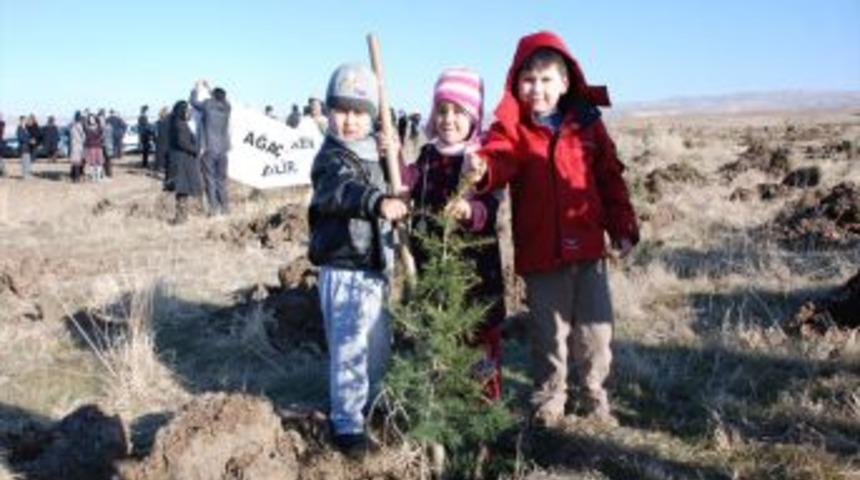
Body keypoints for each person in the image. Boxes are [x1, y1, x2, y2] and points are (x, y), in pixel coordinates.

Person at [466, 31, 639, 427]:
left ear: (565, 82)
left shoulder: (588, 126)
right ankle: (549, 400)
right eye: (528, 80)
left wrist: (622, 226)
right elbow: (499, 159)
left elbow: (609, 178)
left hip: (590, 249)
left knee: (597, 333)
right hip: (542, 254)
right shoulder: (514, 129)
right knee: (550, 336)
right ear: (516, 83)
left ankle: (592, 394)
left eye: (546, 80)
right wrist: (483, 169)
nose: (537, 89)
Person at [307, 63, 408, 457]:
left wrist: (391, 160)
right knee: (350, 346)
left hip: (375, 266)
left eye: (359, 112)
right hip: (344, 266)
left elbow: (391, 186)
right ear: (328, 111)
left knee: (376, 344)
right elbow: (343, 192)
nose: (349, 121)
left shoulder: (371, 152)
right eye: (341, 110)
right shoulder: (331, 158)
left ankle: (373, 404)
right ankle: (347, 424)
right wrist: (378, 201)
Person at [403, 67, 505, 401]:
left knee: (478, 345)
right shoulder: (429, 155)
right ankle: (445, 409)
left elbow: (489, 208)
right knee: (438, 342)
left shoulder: (478, 160)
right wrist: (388, 155)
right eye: (442, 110)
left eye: (458, 112)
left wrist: (468, 212)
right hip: (432, 267)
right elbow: (408, 181)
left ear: (474, 116)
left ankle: (484, 413)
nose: (448, 119)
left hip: (475, 275)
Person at [190, 80, 232, 216]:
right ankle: (225, 208)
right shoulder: (227, 107)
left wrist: (196, 88)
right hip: (223, 150)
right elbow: (221, 97)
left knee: (209, 179)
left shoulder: (208, 105)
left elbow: (193, 102)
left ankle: (214, 209)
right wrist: (210, 88)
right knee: (222, 180)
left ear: (213, 95)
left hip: (209, 148)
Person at [168, 101, 203, 225]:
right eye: (187, 111)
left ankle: (182, 217)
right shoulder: (179, 124)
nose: (189, 113)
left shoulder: (176, 122)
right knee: (182, 189)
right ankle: (180, 219)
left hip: (181, 160)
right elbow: (182, 143)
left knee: (183, 191)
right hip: (182, 161)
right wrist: (197, 150)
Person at [83, 113, 105, 181]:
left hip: (98, 146)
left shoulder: (99, 127)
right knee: (92, 163)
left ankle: (98, 177)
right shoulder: (87, 128)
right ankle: (93, 177)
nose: (91, 120)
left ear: (95, 119)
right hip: (90, 147)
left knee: (99, 162)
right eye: (90, 119)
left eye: (93, 118)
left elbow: (102, 136)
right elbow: (86, 137)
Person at [155, 106, 172, 190]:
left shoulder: (159, 122)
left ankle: (162, 173)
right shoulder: (170, 121)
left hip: (161, 142)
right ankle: (167, 178)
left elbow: (156, 134)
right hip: (168, 142)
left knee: (161, 160)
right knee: (168, 161)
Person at [69, 112, 85, 182]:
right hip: (79, 145)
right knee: (78, 162)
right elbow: (83, 136)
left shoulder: (72, 125)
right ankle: (77, 177)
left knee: (74, 162)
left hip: (73, 145)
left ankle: (73, 176)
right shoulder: (79, 126)